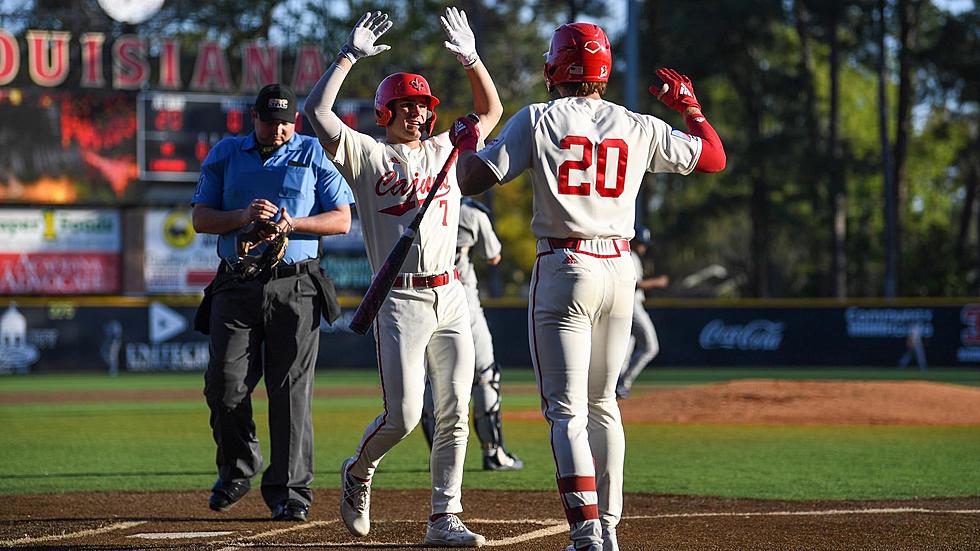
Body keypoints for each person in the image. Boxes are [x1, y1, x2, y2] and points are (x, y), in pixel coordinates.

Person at [449, 23, 726, 551]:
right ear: (605, 70)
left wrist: (469, 140)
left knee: (567, 410)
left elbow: (471, 179)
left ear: (553, 68)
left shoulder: (538, 117)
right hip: (621, 270)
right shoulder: (638, 124)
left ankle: (586, 533)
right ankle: (611, 529)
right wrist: (689, 105)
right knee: (605, 404)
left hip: (565, 265)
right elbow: (713, 157)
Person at [303, 8, 502, 547]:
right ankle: (359, 470)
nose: (419, 113)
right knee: (405, 416)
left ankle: (445, 518)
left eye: (425, 106)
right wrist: (348, 56)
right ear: (387, 110)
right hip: (399, 300)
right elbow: (315, 112)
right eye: (409, 106)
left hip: (452, 293)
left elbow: (491, 108)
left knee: (456, 411)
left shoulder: (447, 150)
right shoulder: (369, 156)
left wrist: (470, 57)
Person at [191, 82, 354, 522]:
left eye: (286, 122)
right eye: (270, 122)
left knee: (289, 392)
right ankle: (239, 467)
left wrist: (292, 224)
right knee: (223, 384)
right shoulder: (226, 153)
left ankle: (290, 493)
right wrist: (244, 216)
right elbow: (201, 218)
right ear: (254, 118)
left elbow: (341, 219)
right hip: (236, 283)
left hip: (296, 285)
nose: (279, 130)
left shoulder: (314, 152)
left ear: (295, 121)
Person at [420, 197, 524, 471]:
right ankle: (493, 452)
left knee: (433, 380)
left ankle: (438, 457)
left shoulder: (420, 201)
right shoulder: (471, 211)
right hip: (462, 296)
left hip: (424, 296)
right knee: (485, 377)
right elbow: (493, 255)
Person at [616, 227, 669, 399]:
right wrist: (657, 282)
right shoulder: (630, 256)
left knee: (626, 351)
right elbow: (634, 284)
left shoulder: (628, 256)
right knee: (650, 347)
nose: (644, 247)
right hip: (632, 306)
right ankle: (623, 383)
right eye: (642, 243)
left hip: (626, 305)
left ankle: (618, 386)